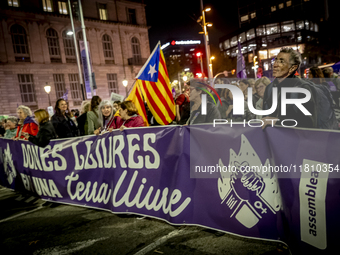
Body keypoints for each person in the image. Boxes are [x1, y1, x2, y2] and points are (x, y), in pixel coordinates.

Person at [262, 47, 316, 129]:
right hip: (273, 140)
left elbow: (308, 123)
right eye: (275, 60)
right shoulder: (269, 88)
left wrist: (278, 121)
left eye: (281, 62)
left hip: (296, 140)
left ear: (293, 68)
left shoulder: (302, 88)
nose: (275, 65)